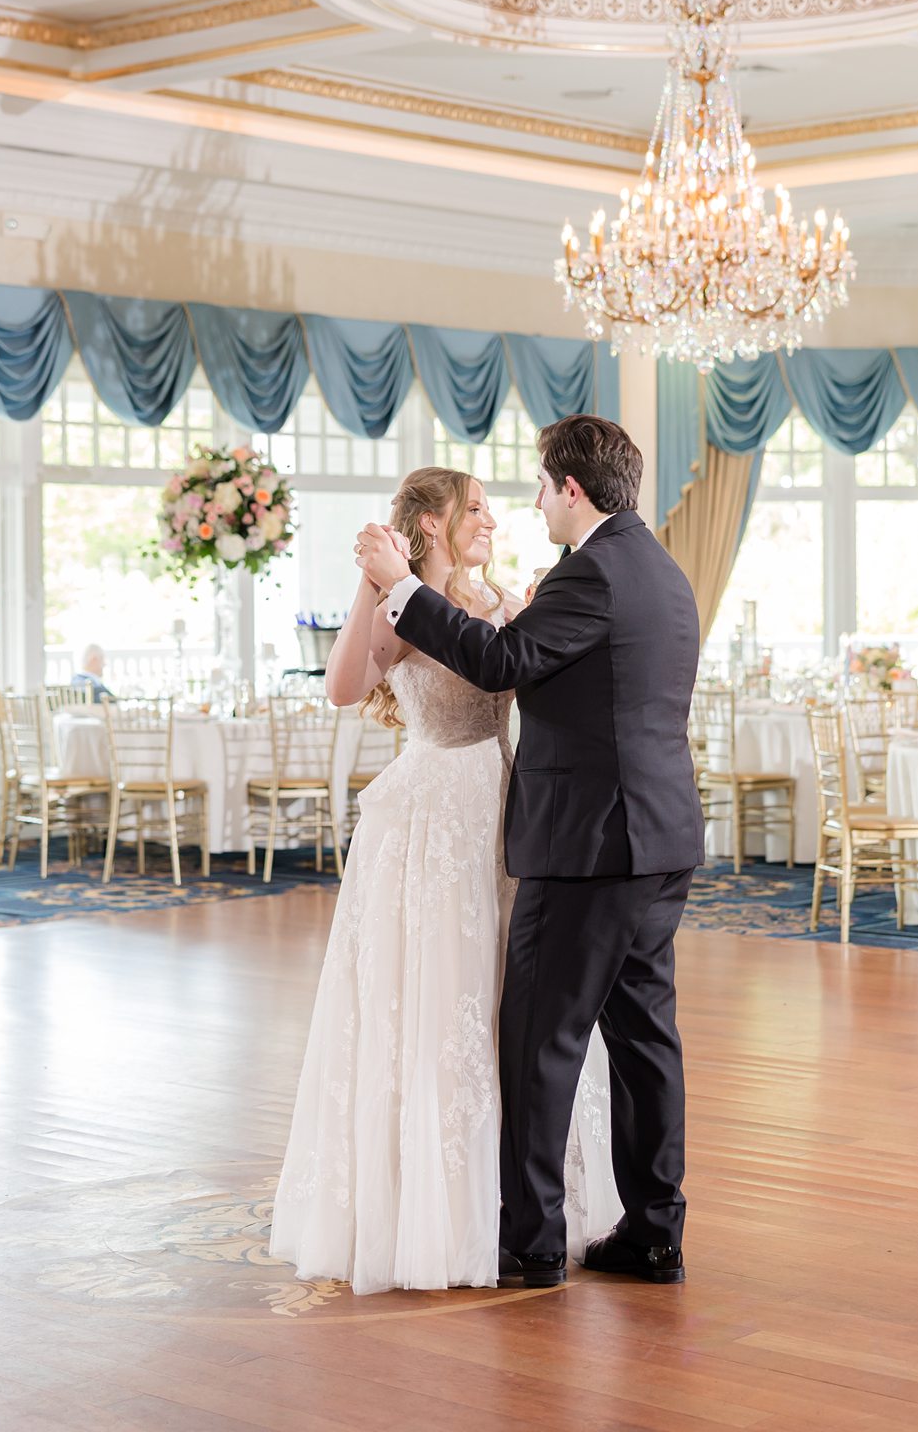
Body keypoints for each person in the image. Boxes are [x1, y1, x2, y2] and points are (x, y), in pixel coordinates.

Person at [356, 415, 701, 1288]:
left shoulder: (591, 573)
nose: (535, 504)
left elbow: (501, 660)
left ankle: (534, 1240)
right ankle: (654, 1233)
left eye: (543, 488)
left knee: (541, 1038)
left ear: (572, 488)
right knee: (644, 1038)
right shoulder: (657, 568)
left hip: (590, 843)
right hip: (658, 838)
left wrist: (402, 589)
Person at [268, 466, 620, 1295]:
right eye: (476, 509)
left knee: (510, 996)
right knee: (436, 993)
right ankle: (437, 1213)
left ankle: (526, 1201)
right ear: (430, 524)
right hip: (429, 817)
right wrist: (372, 583)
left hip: (504, 803)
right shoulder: (399, 604)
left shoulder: (499, 601)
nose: (492, 519)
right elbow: (344, 688)